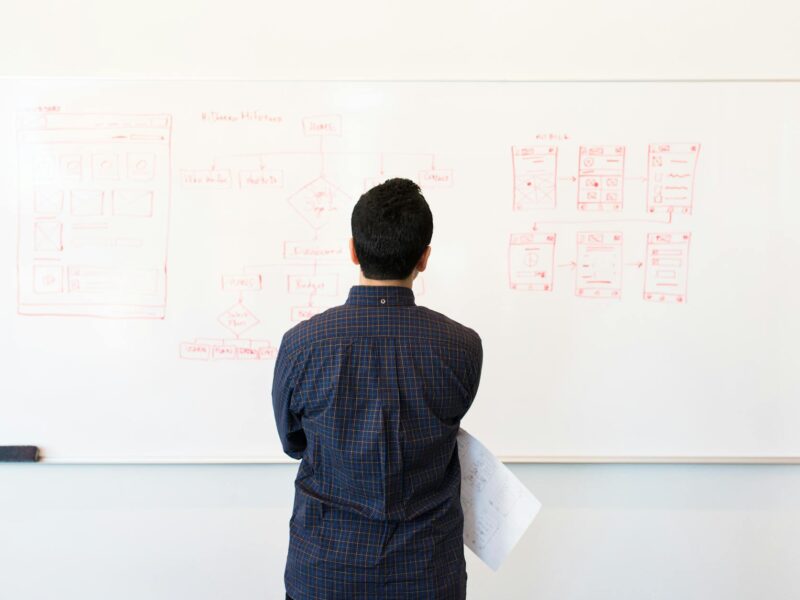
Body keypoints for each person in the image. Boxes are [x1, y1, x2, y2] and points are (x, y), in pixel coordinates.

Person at [272, 177, 483, 599]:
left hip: (325, 572)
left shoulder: (301, 345)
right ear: (424, 258)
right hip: (427, 574)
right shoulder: (462, 347)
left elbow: (294, 442)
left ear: (352, 250)